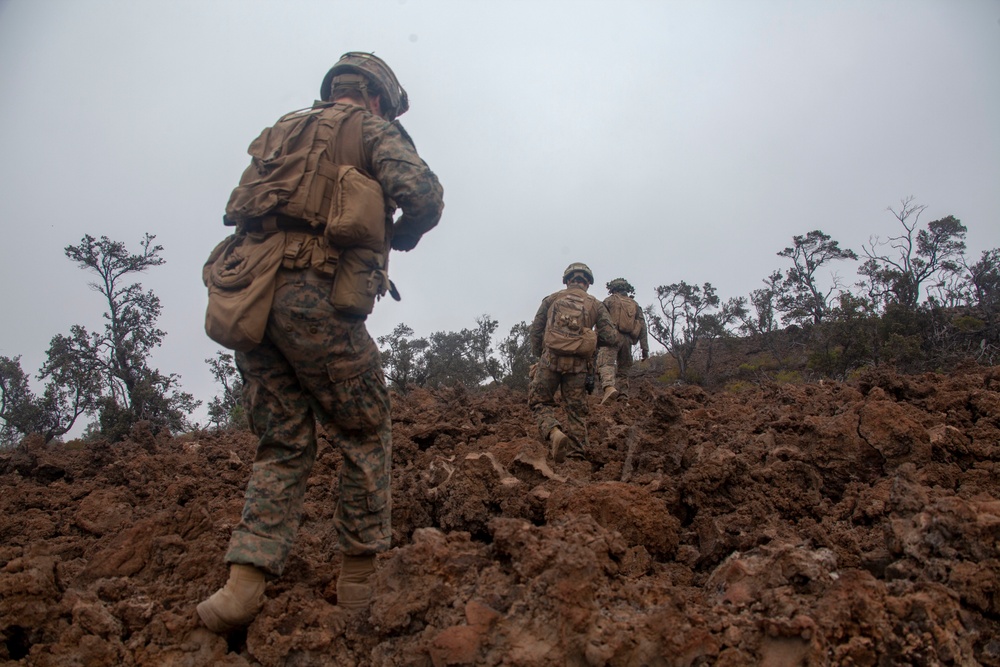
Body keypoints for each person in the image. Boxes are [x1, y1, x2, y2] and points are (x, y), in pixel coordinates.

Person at [197, 52, 444, 633]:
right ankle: (358, 578)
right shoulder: (369, 128)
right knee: (364, 425)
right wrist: (399, 235)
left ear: (333, 88)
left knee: (282, 441)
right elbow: (425, 195)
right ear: (378, 97)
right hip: (311, 297)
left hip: (245, 295)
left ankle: (243, 587)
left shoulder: (281, 131)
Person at [528, 263, 618, 464]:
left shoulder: (552, 299)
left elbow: (536, 330)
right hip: (578, 366)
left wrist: (540, 354)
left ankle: (553, 431)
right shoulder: (596, 304)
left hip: (550, 361)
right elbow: (611, 337)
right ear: (587, 283)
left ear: (567, 280)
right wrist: (588, 341)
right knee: (577, 412)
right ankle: (576, 458)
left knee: (539, 401)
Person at [597, 278, 649, 403]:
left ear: (613, 289)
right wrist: (644, 348)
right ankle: (623, 397)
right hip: (628, 340)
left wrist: (595, 341)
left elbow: (600, 321)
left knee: (606, 363)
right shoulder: (635, 304)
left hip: (611, 337)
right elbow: (642, 325)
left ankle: (609, 388)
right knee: (624, 369)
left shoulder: (609, 301)